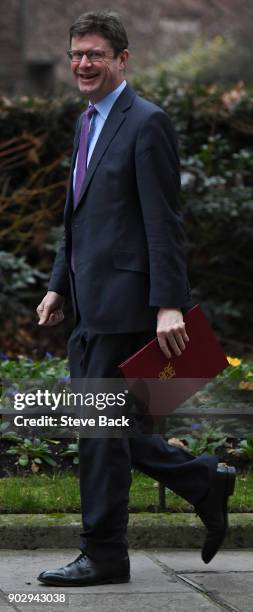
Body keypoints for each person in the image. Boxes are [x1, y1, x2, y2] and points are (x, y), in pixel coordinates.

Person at [36, 11, 236, 587]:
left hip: (126, 304)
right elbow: (77, 217)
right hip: (85, 300)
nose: (83, 63)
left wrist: (169, 303)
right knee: (105, 425)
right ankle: (203, 480)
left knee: (99, 432)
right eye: (76, 53)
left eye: (95, 54)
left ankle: (102, 554)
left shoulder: (147, 123)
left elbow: (164, 220)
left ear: (122, 60)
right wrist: (55, 283)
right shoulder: (87, 122)